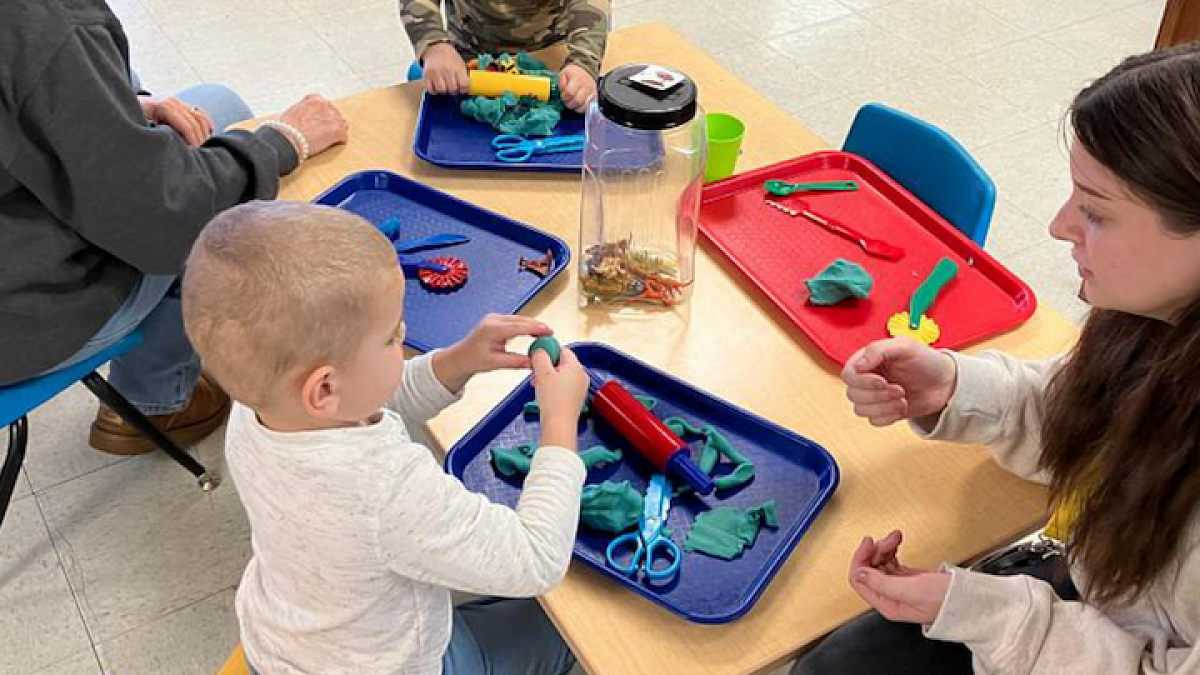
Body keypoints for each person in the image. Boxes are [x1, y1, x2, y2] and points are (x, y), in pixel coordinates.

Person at [792, 42, 1200, 675]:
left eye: (1095, 211)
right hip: (1103, 599)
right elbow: (1091, 411)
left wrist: (988, 612)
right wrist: (953, 387)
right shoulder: (1160, 320)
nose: (1060, 226)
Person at [181, 201, 589, 675]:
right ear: (325, 388)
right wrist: (560, 425)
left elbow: (371, 400)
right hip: (389, 665)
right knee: (577, 628)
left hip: (283, 648)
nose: (406, 334)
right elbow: (536, 559)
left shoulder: (258, 407)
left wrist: (457, 360)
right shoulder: (385, 487)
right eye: (392, 337)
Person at [0, 0, 349, 455]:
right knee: (223, 214)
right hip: (20, 318)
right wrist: (282, 142)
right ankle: (155, 402)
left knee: (211, 107)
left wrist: (117, 105)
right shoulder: (41, 19)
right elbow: (166, 218)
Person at [400, 0, 609, 111]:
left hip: (549, 58)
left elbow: (590, 5)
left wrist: (583, 62)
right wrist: (434, 45)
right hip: (469, 58)